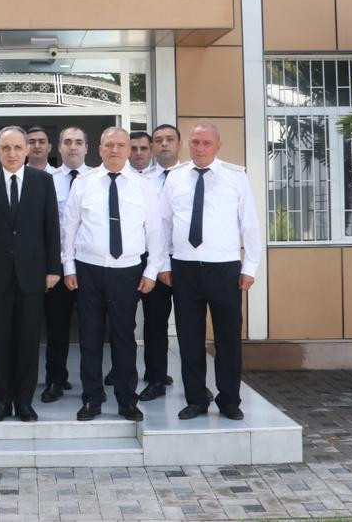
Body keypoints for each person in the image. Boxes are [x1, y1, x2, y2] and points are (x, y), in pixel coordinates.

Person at [160, 122, 262, 421]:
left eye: (206, 142)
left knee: (227, 339)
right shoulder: (175, 177)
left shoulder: (235, 177)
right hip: (185, 269)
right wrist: (164, 264)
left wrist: (250, 267)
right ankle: (196, 399)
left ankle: (229, 400)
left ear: (218, 145)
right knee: (189, 339)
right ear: (187, 145)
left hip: (224, 269)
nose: (200, 148)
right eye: (195, 142)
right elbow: (162, 224)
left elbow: (250, 224)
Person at [64, 127, 164, 422]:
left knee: (124, 337)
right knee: (90, 337)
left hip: (127, 271)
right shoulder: (83, 183)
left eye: (121, 145)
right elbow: (69, 227)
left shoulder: (143, 185)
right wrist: (68, 267)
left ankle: (126, 400)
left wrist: (152, 270)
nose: (115, 150)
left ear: (128, 150)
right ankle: (92, 399)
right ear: (99, 149)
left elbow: (155, 231)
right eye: (109, 145)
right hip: (88, 269)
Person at [0, 126, 61, 422]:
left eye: (18, 147)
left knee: (28, 342)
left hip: (32, 275)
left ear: (27, 149)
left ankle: (24, 401)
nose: (12, 153)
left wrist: (53, 268)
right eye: (6, 147)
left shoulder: (43, 181)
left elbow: (51, 227)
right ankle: (1, 401)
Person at [41, 126, 90, 403]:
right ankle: (55, 379)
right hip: (58, 264)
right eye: (68, 142)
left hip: (89, 264)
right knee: (57, 327)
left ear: (86, 148)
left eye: (78, 142)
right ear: (58, 147)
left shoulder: (97, 178)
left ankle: (92, 383)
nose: (73, 147)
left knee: (91, 327)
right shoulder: (46, 180)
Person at [137, 123, 182, 401]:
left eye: (169, 139)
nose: (164, 144)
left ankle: (194, 384)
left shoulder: (191, 176)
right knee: (155, 322)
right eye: (158, 140)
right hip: (152, 259)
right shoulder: (143, 181)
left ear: (179, 144)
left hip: (187, 259)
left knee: (189, 325)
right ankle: (155, 378)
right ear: (153, 146)